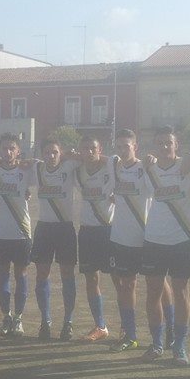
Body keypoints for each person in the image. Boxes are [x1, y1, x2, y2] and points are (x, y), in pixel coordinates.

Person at [141, 126, 190, 365]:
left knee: (181, 292)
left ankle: (180, 345)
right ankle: (157, 343)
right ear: (154, 146)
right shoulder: (149, 168)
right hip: (154, 239)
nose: (165, 146)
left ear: (177, 145)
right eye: (160, 143)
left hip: (182, 240)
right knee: (153, 292)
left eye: (169, 142)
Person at [30, 137, 80, 340]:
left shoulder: (70, 166)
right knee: (42, 275)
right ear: (41, 154)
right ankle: (45, 320)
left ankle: (68, 321)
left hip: (65, 228)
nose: (51, 156)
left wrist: (71, 154)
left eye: (55, 152)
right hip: (44, 228)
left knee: (67, 275)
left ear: (61, 153)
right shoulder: (36, 168)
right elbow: (16, 164)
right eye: (47, 152)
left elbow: (90, 158)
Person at [108, 129, 152, 352]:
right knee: (126, 285)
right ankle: (129, 333)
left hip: (144, 236)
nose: (123, 150)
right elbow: (88, 156)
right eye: (119, 146)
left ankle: (168, 333)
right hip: (120, 236)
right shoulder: (114, 165)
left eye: (127, 146)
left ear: (135, 147)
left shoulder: (146, 167)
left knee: (158, 285)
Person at [0, 133, 34, 337]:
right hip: (0, 232)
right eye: (4, 148)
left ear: (18, 151)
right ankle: (6, 316)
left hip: (21, 233)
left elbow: (49, 163)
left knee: (21, 275)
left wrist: (30, 161)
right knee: (2, 276)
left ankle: (18, 317)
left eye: (12, 148)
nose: (8, 152)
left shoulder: (26, 170)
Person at [74, 135, 113, 342]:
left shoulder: (110, 168)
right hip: (87, 231)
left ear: (100, 149)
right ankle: (100, 325)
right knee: (91, 278)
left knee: (119, 279)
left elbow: (119, 160)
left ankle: (126, 327)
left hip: (108, 230)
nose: (89, 152)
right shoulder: (77, 170)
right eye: (85, 148)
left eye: (93, 148)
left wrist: (102, 158)